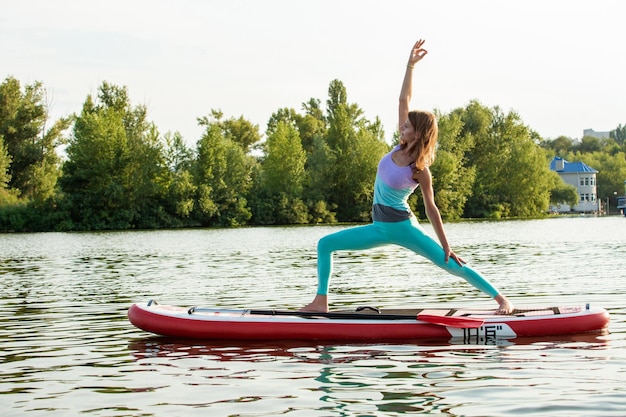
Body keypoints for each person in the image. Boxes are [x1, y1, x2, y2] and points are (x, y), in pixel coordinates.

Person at [301, 39, 514, 315]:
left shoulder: (420, 170)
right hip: (379, 226)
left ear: (418, 133)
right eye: (403, 125)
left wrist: (446, 246)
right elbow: (404, 99)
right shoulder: (399, 146)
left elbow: (431, 208)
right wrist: (410, 65)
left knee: (449, 263)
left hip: (404, 228)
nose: (401, 128)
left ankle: (502, 300)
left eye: (407, 126)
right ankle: (321, 302)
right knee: (325, 244)